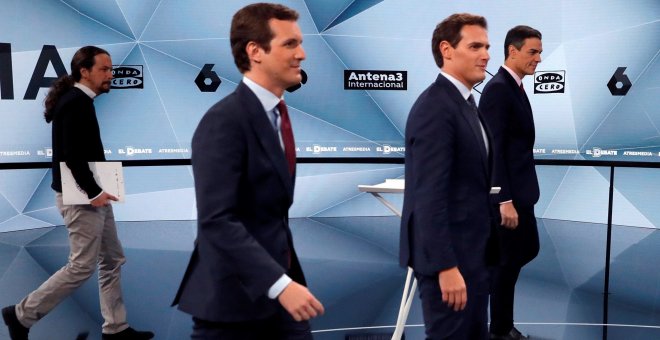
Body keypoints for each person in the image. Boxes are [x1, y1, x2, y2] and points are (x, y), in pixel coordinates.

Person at [171, 3, 324, 339]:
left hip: (277, 300)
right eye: (290, 44)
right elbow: (216, 222)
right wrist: (280, 285)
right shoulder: (224, 121)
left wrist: (285, 283)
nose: (302, 54)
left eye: (300, 43)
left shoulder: (276, 115)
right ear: (255, 51)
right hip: (233, 307)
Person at [1, 46, 154, 340]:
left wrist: (97, 191)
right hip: (84, 196)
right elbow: (71, 156)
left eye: (110, 69)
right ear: (85, 71)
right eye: (104, 70)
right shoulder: (75, 103)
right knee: (81, 266)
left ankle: (116, 328)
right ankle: (21, 314)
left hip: (92, 193)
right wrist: (94, 191)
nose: (111, 75)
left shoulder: (81, 101)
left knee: (112, 258)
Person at [400, 13, 497, 339]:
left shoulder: (466, 104)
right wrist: (446, 267)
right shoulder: (435, 107)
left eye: (486, 46)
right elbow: (428, 196)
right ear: (447, 49)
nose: (485, 54)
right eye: (475, 46)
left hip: (473, 259)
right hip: (451, 265)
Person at [479, 25, 542, 340]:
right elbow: (493, 150)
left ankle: (501, 326)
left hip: (521, 193)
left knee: (518, 256)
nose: (539, 59)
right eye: (533, 51)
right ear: (513, 51)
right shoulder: (499, 89)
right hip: (509, 197)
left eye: (540, 52)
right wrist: (502, 199)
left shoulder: (513, 86)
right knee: (505, 263)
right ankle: (500, 330)